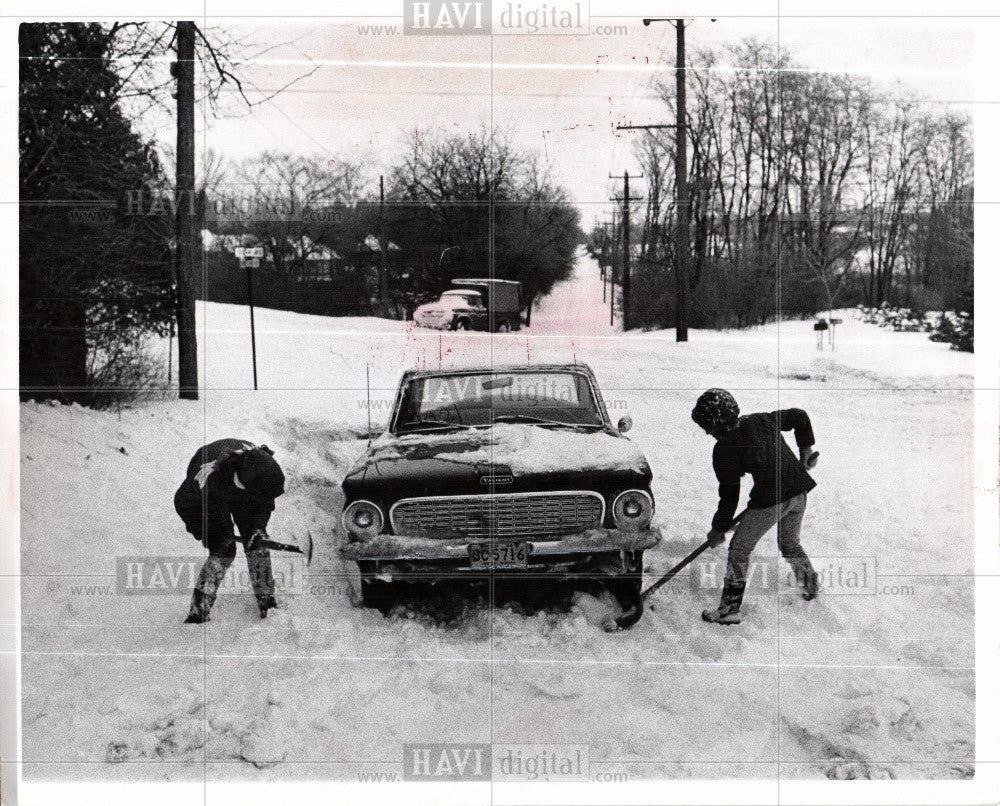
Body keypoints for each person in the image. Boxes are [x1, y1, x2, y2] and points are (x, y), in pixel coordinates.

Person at [692, 389, 820, 625]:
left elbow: (729, 495)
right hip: (799, 492)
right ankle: (810, 585)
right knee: (790, 543)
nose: (707, 432)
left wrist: (718, 529)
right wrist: (806, 449)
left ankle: (729, 609)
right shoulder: (762, 418)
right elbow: (800, 416)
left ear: (715, 423)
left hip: (771, 499)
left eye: (706, 426)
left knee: (740, 549)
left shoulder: (723, 448)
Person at [174, 439, 285, 623]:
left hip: (245, 482)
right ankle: (198, 611)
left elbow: (264, 503)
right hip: (214, 493)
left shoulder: (263, 472)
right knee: (223, 550)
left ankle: (267, 601)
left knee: (256, 541)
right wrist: (206, 532)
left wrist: (257, 527)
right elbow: (183, 504)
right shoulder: (204, 481)